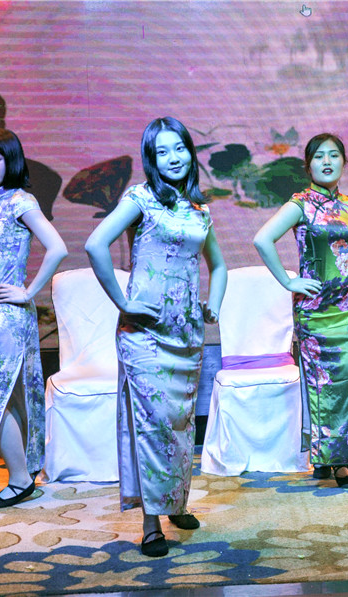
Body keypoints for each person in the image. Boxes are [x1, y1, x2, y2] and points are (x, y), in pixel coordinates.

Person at [85, 117, 227, 557]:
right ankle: (150, 524)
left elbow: (218, 266)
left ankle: (175, 503)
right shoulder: (140, 199)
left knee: (181, 424)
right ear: (151, 159)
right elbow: (95, 244)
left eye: (179, 148)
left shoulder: (199, 208)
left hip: (186, 334)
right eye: (162, 151)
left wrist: (213, 305)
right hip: (144, 335)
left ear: (190, 152)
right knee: (152, 425)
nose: (173, 158)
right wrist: (123, 302)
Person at [253, 133, 348, 488]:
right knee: (321, 385)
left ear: (344, 162)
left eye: (334, 155)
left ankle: (340, 459)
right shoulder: (300, 204)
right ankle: (328, 457)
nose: (327, 162)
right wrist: (288, 280)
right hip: (315, 312)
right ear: (308, 165)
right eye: (319, 156)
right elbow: (262, 239)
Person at [0, 128, 68, 508]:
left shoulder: (21, 200)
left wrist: (28, 291)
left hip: (6, 317)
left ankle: (19, 480)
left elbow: (57, 247)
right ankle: (22, 476)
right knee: (3, 397)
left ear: (12, 160)